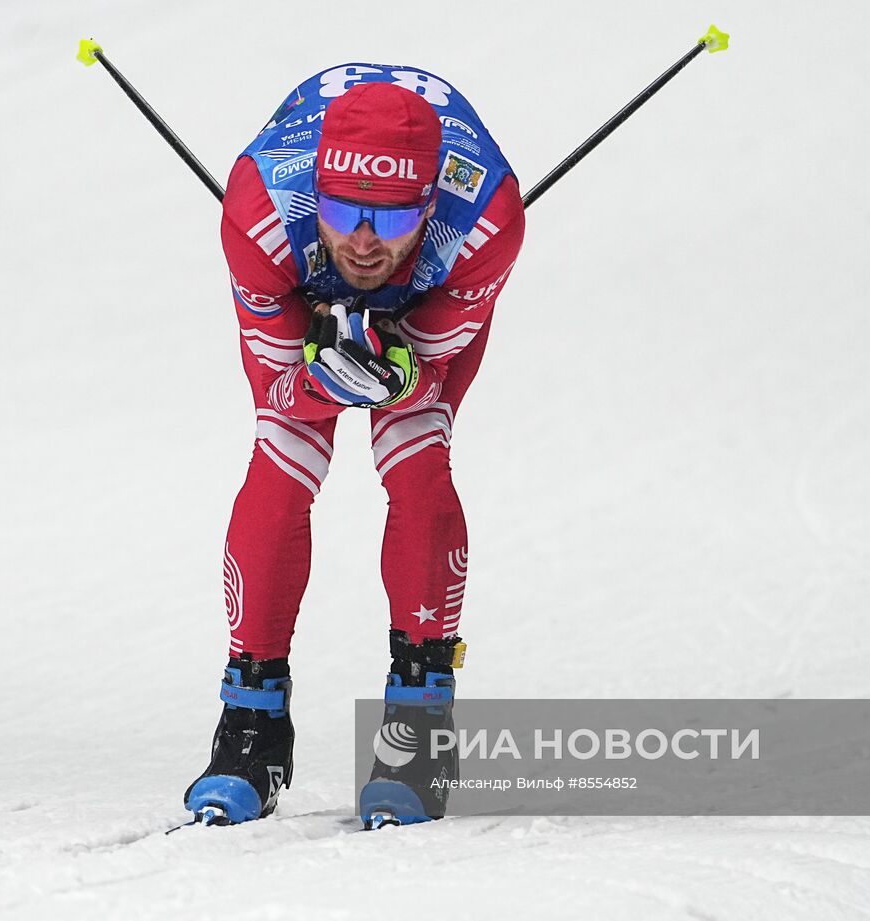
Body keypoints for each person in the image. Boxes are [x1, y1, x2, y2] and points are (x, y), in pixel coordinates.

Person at [184, 64, 525, 828]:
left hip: (432, 294)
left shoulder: (486, 220)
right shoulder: (260, 210)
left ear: (430, 205)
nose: (366, 242)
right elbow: (278, 390)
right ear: (317, 191)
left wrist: (391, 372)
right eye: (344, 211)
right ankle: (252, 724)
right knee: (284, 453)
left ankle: (420, 727)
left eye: (393, 221)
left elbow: (428, 372)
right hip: (298, 280)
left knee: (416, 454)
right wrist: (327, 374)